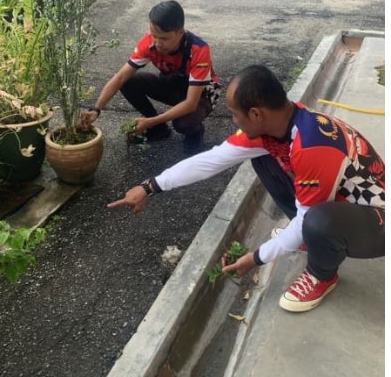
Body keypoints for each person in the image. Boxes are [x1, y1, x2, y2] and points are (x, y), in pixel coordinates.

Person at [108, 65, 384, 313]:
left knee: (315, 221)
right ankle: (311, 239)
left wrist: (256, 257)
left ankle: (322, 275)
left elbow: (305, 218)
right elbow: (211, 160)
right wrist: (149, 187)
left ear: (256, 114)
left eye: (234, 114)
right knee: (263, 160)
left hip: (377, 221)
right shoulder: (276, 127)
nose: (233, 121)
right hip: (340, 207)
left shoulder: (311, 146)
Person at [80, 0, 219, 154]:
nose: (158, 43)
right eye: (154, 36)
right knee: (128, 81)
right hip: (174, 84)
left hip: (201, 95)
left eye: (164, 38)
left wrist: (149, 122)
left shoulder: (199, 50)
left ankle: (195, 132)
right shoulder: (149, 43)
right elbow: (120, 77)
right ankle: (159, 129)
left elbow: (190, 104)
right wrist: (96, 109)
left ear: (180, 32)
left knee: (183, 123)